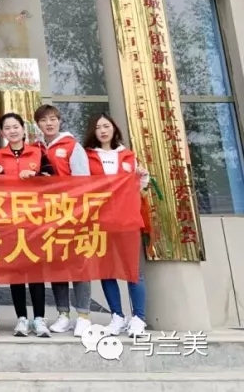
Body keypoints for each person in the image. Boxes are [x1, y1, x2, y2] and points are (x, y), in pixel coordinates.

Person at [83, 112, 150, 337]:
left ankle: (138, 317)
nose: (102, 131)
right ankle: (117, 316)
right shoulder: (88, 156)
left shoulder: (128, 156)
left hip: (127, 221)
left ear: (114, 128)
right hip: (100, 222)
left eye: (106, 126)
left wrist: (142, 176)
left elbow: (140, 188)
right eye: (98, 127)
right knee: (107, 270)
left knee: (133, 271)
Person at [0, 112, 54, 338]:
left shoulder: (38, 152)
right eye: (7, 128)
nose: (12, 131)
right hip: (9, 219)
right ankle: (21, 319)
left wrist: (36, 175)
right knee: (16, 271)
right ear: (3, 133)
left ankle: (39, 319)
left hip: (34, 218)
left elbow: (53, 178)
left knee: (36, 270)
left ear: (23, 129)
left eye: (15, 126)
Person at [35, 104, 93, 337]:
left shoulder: (72, 146)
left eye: (52, 119)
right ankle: (63, 314)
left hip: (72, 214)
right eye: (43, 120)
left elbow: (83, 182)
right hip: (47, 216)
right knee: (57, 265)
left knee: (79, 265)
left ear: (60, 121)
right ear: (38, 125)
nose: (49, 124)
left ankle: (84, 316)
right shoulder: (36, 148)